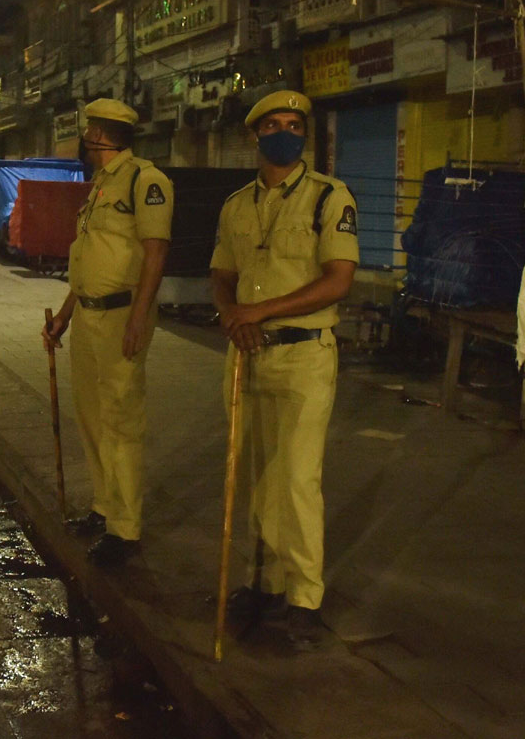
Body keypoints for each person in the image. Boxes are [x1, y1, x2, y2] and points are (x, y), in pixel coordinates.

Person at [209, 89, 359, 651]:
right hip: (247, 351)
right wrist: (233, 316)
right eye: (273, 123)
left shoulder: (328, 197)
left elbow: (338, 278)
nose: (284, 131)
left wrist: (262, 311)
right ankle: (265, 584)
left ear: (304, 135)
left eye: (294, 124)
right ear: (255, 135)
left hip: (304, 354)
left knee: (296, 478)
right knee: (253, 476)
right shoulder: (236, 205)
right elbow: (223, 273)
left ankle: (304, 598)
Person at [41, 98, 174, 568]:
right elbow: (88, 259)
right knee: (92, 417)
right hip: (88, 317)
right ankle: (104, 506)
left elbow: (155, 254)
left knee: (121, 421)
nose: (85, 138)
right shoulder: (99, 186)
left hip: (122, 317)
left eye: (89, 129)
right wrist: (65, 314)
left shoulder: (145, 181)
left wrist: (140, 317)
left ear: (100, 134)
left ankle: (126, 527)